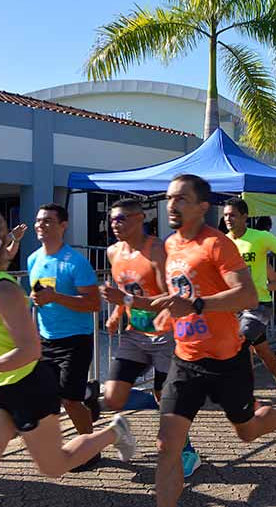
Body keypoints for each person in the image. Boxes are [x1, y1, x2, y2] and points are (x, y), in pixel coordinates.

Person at [0, 212, 135, 507]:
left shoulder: (3, 291)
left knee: (55, 465)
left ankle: (115, 432)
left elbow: (30, 350)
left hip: (28, 387)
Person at [152, 174, 276, 507]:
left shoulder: (216, 244)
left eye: (181, 198)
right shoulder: (169, 245)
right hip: (185, 360)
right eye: (169, 198)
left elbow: (247, 295)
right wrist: (170, 313)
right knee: (167, 446)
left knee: (247, 431)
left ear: (202, 206)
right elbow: (180, 291)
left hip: (226, 361)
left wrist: (195, 305)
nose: (172, 205)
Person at [98, 199, 201, 478]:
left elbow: (171, 296)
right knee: (113, 396)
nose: (115, 224)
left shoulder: (157, 249)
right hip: (135, 336)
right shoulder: (112, 252)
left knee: (166, 397)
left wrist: (126, 300)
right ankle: (121, 429)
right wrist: (117, 314)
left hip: (166, 334)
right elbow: (123, 289)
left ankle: (188, 451)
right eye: (112, 220)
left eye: (121, 219)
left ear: (140, 218)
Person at [27, 203, 102, 470]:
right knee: (48, 399)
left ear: (63, 225)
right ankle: (88, 393)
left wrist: (56, 297)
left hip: (76, 339)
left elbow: (94, 303)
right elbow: (39, 297)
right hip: (47, 339)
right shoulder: (33, 259)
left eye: (47, 221)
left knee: (70, 400)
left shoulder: (75, 262)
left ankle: (90, 451)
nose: (41, 225)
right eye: (38, 221)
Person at [223, 197, 276, 400]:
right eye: (226, 215)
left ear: (245, 217)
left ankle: (246, 394)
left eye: (233, 215)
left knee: (241, 342)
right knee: (262, 350)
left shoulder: (261, 237)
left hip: (258, 305)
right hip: (233, 306)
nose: (228, 219)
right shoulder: (223, 242)